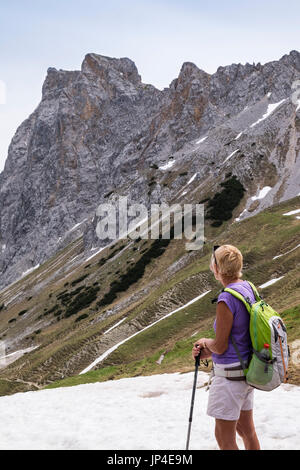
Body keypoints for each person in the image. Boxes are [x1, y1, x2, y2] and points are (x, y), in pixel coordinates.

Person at [192, 244, 260, 450]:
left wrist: (205, 342)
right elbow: (239, 338)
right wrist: (209, 350)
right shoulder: (248, 288)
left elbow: (220, 347)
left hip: (229, 378)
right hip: (247, 371)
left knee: (225, 438)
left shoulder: (226, 299)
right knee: (247, 431)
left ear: (217, 269)